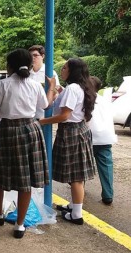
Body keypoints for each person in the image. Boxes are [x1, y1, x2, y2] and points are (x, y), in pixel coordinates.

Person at [0, 49, 55, 238]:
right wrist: (52, 89)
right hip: (31, 130)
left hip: (7, 131)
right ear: (30, 65)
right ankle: (20, 225)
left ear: (10, 66)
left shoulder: (3, 85)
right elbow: (46, 105)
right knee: (26, 179)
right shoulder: (35, 85)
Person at [39, 58, 97, 226]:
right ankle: (74, 206)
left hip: (71, 131)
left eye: (64, 68)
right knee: (77, 174)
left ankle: (77, 214)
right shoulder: (81, 87)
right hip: (78, 130)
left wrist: (41, 122)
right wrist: (56, 88)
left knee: (76, 176)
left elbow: (64, 115)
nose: (62, 70)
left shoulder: (73, 88)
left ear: (73, 71)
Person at [88, 76, 117, 205]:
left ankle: (77, 188)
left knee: (82, 165)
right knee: (106, 167)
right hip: (106, 136)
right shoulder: (105, 100)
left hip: (89, 137)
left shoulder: (86, 99)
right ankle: (108, 195)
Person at [28, 45, 61, 119]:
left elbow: (56, 92)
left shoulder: (50, 73)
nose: (32, 58)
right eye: (30, 56)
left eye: (35, 55)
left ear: (42, 56)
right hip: (30, 115)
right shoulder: (28, 74)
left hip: (44, 114)